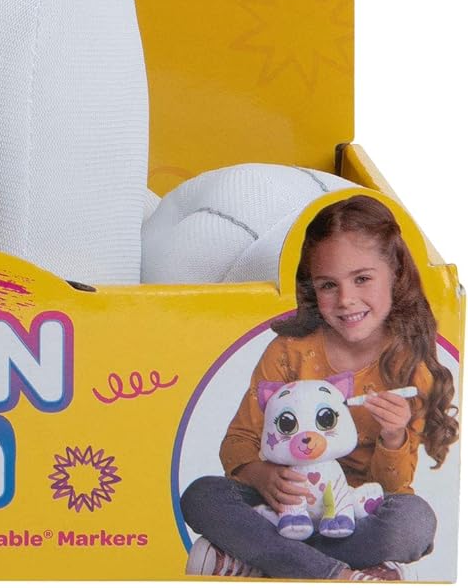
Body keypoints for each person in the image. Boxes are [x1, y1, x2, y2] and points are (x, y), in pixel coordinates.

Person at [183, 195, 458, 579]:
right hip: (285, 505)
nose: (346, 300)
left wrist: (394, 436)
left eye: (362, 279)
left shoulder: (409, 365)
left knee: (414, 523)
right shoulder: (289, 351)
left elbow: (394, 485)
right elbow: (239, 441)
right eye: (328, 285)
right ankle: (344, 574)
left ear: (395, 274)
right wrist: (263, 476)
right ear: (312, 287)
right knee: (202, 496)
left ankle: (258, 560)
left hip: (355, 510)